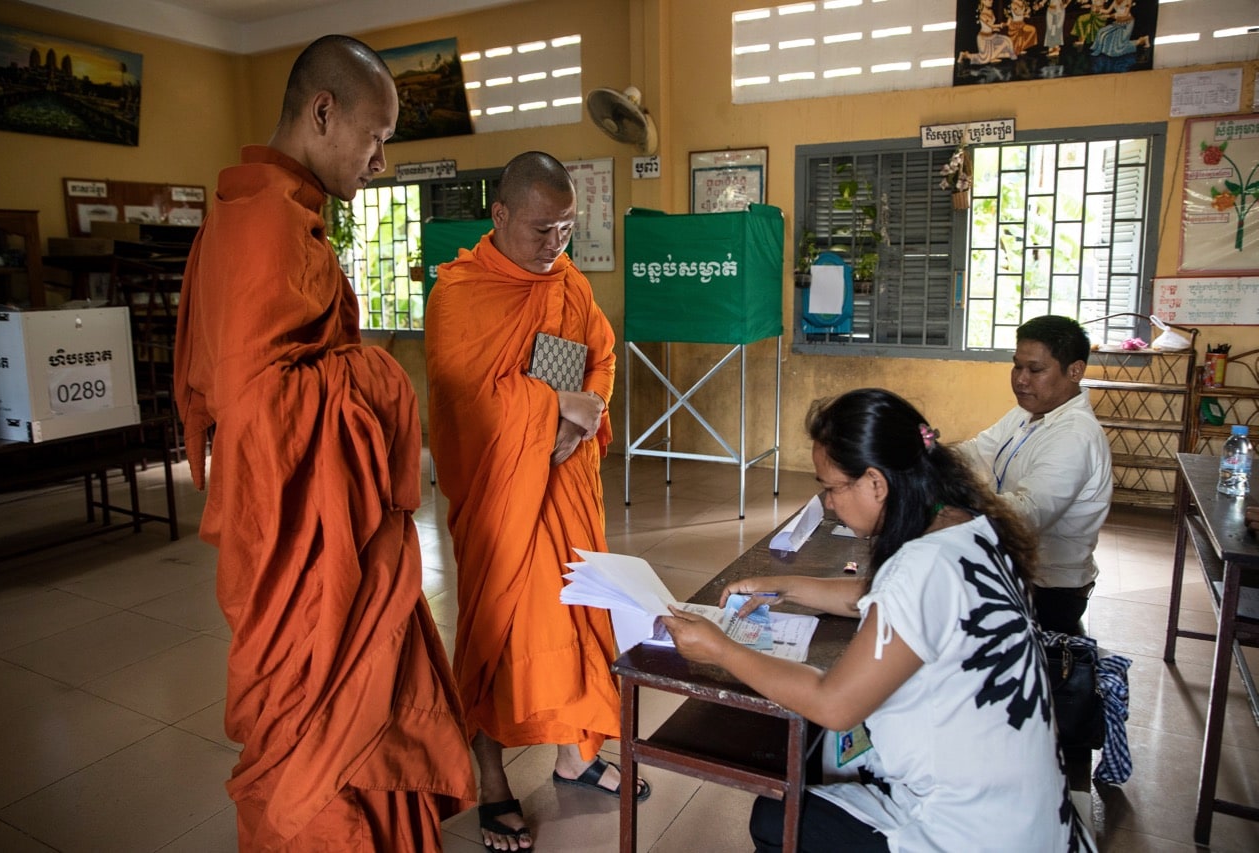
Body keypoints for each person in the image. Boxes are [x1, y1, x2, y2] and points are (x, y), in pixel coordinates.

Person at [173, 34, 475, 850]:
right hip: (303, 544)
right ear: (322, 112)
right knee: (327, 726)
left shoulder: (251, 217)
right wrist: (376, 376)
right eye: (376, 140)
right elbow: (262, 412)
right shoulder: (267, 228)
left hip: (308, 524)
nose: (378, 162)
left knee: (351, 702)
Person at [660, 389, 1096, 853]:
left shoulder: (921, 565)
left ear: (875, 482)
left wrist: (721, 649)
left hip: (967, 834)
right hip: (1030, 821)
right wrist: (786, 585)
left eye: (831, 488)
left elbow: (835, 704)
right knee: (818, 757)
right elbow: (879, 598)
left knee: (778, 814)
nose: (828, 504)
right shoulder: (969, 527)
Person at [425, 151, 649, 852]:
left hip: (565, 486)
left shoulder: (571, 285)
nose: (555, 245)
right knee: (500, 632)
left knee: (580, 621)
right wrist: (556, 407)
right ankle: (492, 779)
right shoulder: (461, 294)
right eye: (540, 230)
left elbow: (602, 358)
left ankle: (574, 753)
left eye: (566, 229)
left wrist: (586, 410)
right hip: (504, 499)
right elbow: (465, 399)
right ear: (499, 217)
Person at [958, 315, 1112, 634]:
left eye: (1036, 370)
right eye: (1017, 367)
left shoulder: (1075, 436)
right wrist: (927, 453)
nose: (1021, 380)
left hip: (1048, 592)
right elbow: (977, 452)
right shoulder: (1027, 413)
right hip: (1017, 571)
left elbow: (1025, 515)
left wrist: (948, 507)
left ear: (1075, 371)